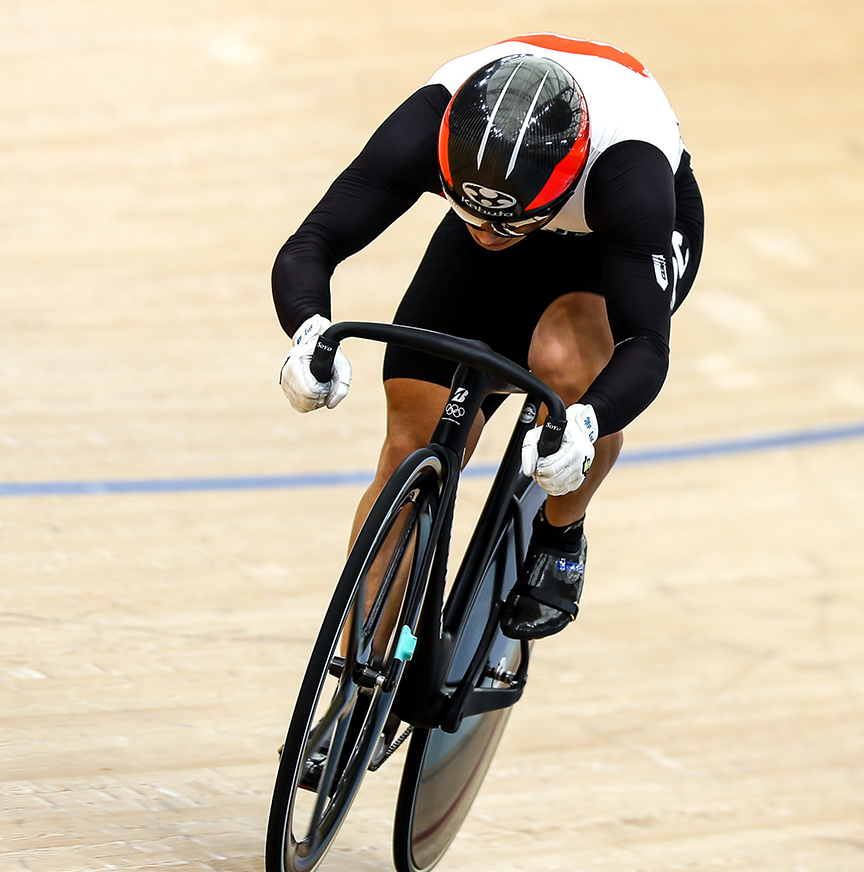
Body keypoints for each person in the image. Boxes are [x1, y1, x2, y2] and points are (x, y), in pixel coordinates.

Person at [270, 35, 702, 640]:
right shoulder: (430, 124)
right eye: (471, 213)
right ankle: (353, 688)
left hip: (605, 239)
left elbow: (645, 347)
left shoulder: (628, 176)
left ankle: (560, 534)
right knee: (407, 448)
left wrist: (584, 422)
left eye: (504, 225)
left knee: (568, 365)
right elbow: (311, 245)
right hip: (513, 190)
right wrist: (308, 328)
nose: (488, 235)